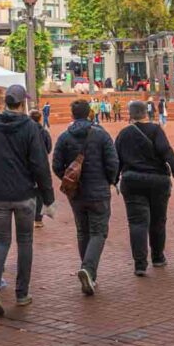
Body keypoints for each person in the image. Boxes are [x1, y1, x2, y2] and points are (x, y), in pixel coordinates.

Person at [0, 84, 55, 316]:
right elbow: (40, 164)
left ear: (6, 102)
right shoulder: (30, 127)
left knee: (1, 241)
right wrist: (48, 197)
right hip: (24, 194)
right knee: (25, 242)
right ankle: (21, 294)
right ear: (22, 103)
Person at [52, 99, 120, 296]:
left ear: (72, 114)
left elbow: (56, 165)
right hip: (99, 190)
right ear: (90, 113)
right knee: (98, 231)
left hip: (77, 193)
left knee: (83, 231)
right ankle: (88, 270)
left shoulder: (65, 137)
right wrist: (109, 180)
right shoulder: (101, 135)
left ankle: (88, 271)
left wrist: (69, 179)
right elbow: (112, 162)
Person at [115, 100, 174, 276]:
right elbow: (167, 152)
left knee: (137, 223)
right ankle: (158, 257)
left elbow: (115, 159)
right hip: (158, 181)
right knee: (158, 220)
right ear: (146, 113)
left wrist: (113, 178)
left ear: (130, 114)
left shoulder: (123, 134)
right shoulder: (155, 130)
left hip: (132, 181)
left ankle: (140, 264)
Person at [29, 109, 53, 227]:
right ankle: (38, 219)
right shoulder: (43, 132)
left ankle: (28, 217)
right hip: (41, 165)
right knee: (39, 192)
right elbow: (49, 148)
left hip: (27, 166)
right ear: (39, 119)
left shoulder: (25, 131)